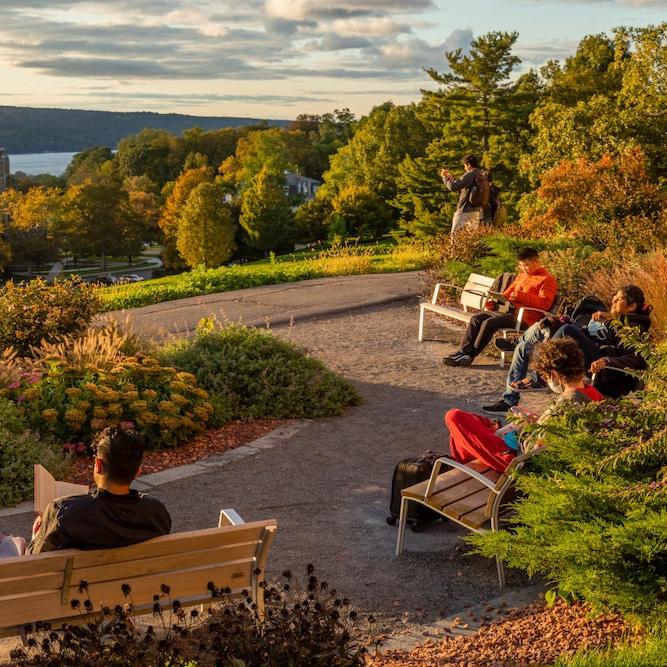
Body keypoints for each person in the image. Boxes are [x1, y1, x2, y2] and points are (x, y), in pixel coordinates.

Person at [482, 285, 651, 414]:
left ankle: (540, 377)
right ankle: (513, 395)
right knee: (528, 344)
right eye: (614, 297)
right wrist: (556, 323)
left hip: (608, 373)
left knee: (566, 332)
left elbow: (637, 359)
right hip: (595, 363)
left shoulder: (633, 328)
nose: (613, 301)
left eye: (619, 299)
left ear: (631, 306)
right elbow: (587, 337)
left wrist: (607, 361)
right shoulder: (614, 322)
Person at [444, 338, 604, 474]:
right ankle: (466, 461)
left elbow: (536, 449)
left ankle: (462, 468)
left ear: (554, 375)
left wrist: (526, 428)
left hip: (516, 459)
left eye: (545, 376)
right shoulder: (592, 393)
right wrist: (537, 421)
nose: (547, 381)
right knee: (466, 429)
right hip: (524, 450)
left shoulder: (567, 404)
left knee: (454, 417)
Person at [28, 427, 171, 554]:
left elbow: (34, 562)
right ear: (138, 470)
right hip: (137, 583)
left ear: (98, 465)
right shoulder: (156, 512)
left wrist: (37, 535)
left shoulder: (65, 513)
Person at [443, 247, 558, 367]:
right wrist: (495, 302)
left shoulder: (547, 280)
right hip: (509, 311)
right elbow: (507, 294)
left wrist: (520, 296)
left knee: (489, 323)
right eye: (521, 266)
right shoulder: (522, 275)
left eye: (526, 265)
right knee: (476, 319)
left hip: (526, 318)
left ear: (536, 262)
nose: (523, 268)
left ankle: (470, 356)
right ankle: (463, 352)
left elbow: (545, 304)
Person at [439, 155, 486, 235]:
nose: (464, 168)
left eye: (465, 165)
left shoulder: (470, 174)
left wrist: (445, 177)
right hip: (476, 211)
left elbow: (453, 187)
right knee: (471, 239)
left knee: (455, 237)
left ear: (468, 165)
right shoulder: (481, 175)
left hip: (465, 210)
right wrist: (451, 179)